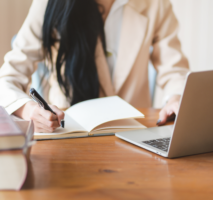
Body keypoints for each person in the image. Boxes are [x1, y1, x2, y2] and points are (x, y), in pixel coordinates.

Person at [0, 0, 189, 133]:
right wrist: (30, 111)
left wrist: (175, 98)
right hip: (68, 135)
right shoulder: (48, 3)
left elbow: (174, 71)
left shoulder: (156, 4)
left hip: (134, 134)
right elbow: (8, 79)